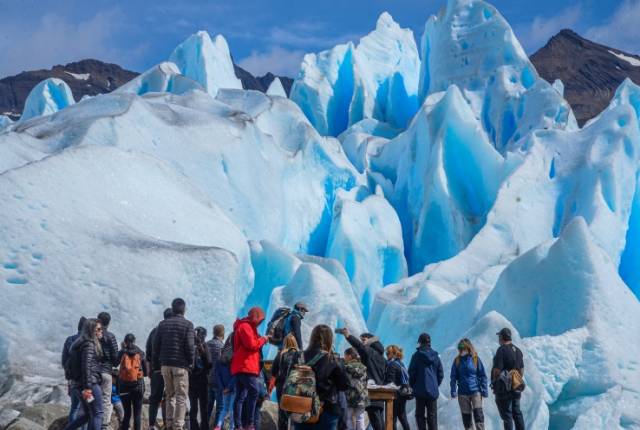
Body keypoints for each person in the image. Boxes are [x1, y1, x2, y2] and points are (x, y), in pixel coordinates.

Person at [293, 324, 349, 430]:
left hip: (301, 407)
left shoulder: (298, 356)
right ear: (329, 339)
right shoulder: (333, 359)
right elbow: (344, 385)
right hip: (327, 409)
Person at [153, 298, 195, 430]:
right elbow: (190, 346)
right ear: (184, 309)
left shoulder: (162, 324)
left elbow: (155, 346)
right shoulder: (188, 324)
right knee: (181, 396)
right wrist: (190, 363)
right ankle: (178, 426)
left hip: (165, 365)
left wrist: (160, 361)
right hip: (180, 366)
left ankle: (169, 423)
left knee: (169, 394)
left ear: (172, 308)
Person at [336, 328, 386, 430]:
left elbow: (359, 346)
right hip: (380, 392)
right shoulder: (382, 358)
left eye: (364, 340)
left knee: (375, 421)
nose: (363, 342)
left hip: (372, 392)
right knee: (379, 419)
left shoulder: (370, 353)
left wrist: (348, 335)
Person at [231, 307, 269, 430]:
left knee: (241, 396)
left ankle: (239, 425)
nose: (260, 323)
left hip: (241, 366)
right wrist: (263, 339)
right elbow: (252, 345)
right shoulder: (245, 327)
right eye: (260, 319)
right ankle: (249, 423)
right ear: (255, 316)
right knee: (254, 392)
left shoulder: (245, 327)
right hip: (246, 366)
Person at [63, 318, 104, 430]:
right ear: (92, 330)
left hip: (77, 385)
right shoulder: (89, 344)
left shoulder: (77, 344)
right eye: (99, 329)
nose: (101, 331)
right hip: (90, 384)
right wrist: (88, 387)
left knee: (88, 415)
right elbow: (86, 366)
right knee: (98, 413)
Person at [450, 339, 488, 430]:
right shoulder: (457, 361)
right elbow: (453, 377)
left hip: (475, 391)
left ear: (468, 347)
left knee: (478, 415)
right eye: (459, 348)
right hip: (462, 393)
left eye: (463, 348)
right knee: (466, 419)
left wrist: (484, 390)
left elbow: (482, 375)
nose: (461, 350)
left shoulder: (475, 359)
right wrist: (453, 390)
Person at [491, 328, 525, 430]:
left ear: (502, 337)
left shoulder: (501, 350)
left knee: (507, 416)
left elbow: (497, 370)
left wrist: (495, 382)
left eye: (499, 336)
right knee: (517, 413)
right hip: (516, 387)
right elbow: (522, 370)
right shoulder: (518, 351)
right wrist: (514, 380)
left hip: (504, 389)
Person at [408, 333, 443, 430]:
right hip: (432, 391)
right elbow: (440, 374)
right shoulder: (436, 356)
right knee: (432, 416)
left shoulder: (416, 356)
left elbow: (411, 373)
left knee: (420, 415)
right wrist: (435, 384)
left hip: (420, 391)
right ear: (429, 343)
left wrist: (413, 385)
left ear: (420, 342)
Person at [145, 308, 172, 430]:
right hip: (171, 369)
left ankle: (151, 425)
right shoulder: (173, 331)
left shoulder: (154, 331)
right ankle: (168, 424)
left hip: (156, 370)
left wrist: (150, 369)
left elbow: (148, 353)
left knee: (155, 398)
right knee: (170, 397)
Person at [117, 334, 147, 430]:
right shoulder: (141, 352)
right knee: (137, 414)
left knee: (127, 413)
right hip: (138, 386)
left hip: (124, 386)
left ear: (125, 342)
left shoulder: (122, 352)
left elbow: (114, 363)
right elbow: (146, 372)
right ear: (134, 341)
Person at [62, 317, 87, 430]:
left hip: (73, 380)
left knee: (75, 407)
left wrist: (69, 378)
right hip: (86, 382)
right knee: (88, 409)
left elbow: (64, 361)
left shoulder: (69, 340)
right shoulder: (88, 341)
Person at [271, 333, 300, 430]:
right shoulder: (299, 355)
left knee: (282, 412)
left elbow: (273, 372)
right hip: (295, 387)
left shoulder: (280, 355)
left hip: (282, 386)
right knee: (295, 411)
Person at [97, 312, 118, 430]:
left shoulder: (93, 335)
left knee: (93, 397)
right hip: (106, 371)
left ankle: (91, 421)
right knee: (105, 398)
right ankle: (103, 424)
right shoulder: (111, 336)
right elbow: (115, 359)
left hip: (93, 371)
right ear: (109, 322)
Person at [189, 327, 212, 430]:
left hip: (191, 380)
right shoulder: (204, 346)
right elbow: (209, 363)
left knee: (193, 406)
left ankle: (193, 427)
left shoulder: (190, 346)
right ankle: (204, 427)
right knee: (204, 407)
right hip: (203, 380)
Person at [212, 334, 235, 430]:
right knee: (232, 409)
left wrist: (223, 388)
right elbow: (235, 375)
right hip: (233, 387)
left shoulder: (219, 359)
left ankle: (218, 426)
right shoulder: (235, 357)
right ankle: (232, 427)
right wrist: (229, 387)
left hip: (224, 388)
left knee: (224, 408)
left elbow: (217, 376)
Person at [385, 345, 410, 430]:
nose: (386, 355)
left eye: (388, 353)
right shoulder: (400, 363)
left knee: (392, 419)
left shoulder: (392, 365)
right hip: (403, 393)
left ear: (393, 354)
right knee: (403, 417)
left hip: (395, 395)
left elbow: (390, 382)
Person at [343, 348, 368, 430]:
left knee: (348, 418)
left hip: (350, 396)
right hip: (362, 395)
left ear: (350, 356)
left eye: (345, 356)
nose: (344, 358)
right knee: (360, 418)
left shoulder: (346, 367)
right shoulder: (363, 367)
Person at [206, 324, 225, 425]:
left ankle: (204, 426)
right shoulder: (222, 347)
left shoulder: (206, 344)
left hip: (208, 380)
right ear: (223, 334)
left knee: (208, 407)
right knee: (220, 408)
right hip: (219, 381)